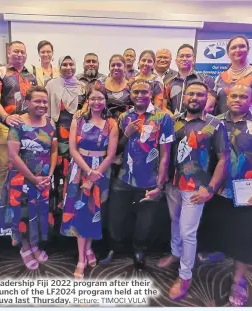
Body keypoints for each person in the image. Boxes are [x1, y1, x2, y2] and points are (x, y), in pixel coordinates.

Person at [198, 84, 252, 306]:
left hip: (247, 195)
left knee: (245, 239)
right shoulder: (213, 122)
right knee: (214, 230)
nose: (237, 99)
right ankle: (215, 256)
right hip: (216, 191)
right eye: (233, 95)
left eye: (243, 96)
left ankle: (238, 281)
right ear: (227, 98)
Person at [156, 82, 230, 300]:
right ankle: (175, 253)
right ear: (184, 97)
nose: (195, 98)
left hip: (196, 187)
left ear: (207, 98)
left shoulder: (214, 124)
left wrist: (211, 187)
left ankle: (185, 275)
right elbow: (165, 152)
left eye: (200, 94)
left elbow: (224, 158)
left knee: (188, 231)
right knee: (175, 221)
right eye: (191, 94)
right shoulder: (174, 121)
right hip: (173, 183)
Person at [100, 79, 174, 269]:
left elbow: (166, 153)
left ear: (151, 94)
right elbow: (116, 149)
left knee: (145, 221)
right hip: (124, 176)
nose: (140, 95)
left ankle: (139, 250)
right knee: (115, 217)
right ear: (130, 94)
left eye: (144, 92)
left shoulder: (163, 118)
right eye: (136, 92)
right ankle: (113, 248)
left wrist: (160, 183)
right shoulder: (124, 117)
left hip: (149, 178)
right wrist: (128, 132)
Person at [0, 86, 58, 270]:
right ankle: (25, 247)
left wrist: (50, 174)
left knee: (37, 213)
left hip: (43, 178)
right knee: (22, 214)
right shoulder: (18, 123)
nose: (42, 104)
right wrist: (33, 178)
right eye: (37, 101)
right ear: (27, 102)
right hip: (21, 179)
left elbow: (53, 150)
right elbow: (13, 155)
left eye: (44, 101)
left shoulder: (51, 123)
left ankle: (35, 244)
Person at [60, 84, 119, 279]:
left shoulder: (111, 123)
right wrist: (87, 173)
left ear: (105, 101)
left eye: (100, 98)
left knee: (94, 213)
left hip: (101, 171)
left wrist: (95, 176)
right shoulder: (78, 118)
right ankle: (81, 258)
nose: (97, 102)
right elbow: (72, 149)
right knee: (80, 213)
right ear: (88, 100)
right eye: (93, 98)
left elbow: (110, 155)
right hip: (79, 169)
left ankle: (89, 248)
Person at [0, 41, 37, 197]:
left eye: (23, 52)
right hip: (5, 125)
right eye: (16, 51)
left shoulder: (31, 76)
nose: (20, 54)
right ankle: (3, 202)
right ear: (8, 53)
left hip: (26, 127)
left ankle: (21, 202)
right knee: (4, 165)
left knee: (25, 164)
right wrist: (6, 117)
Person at [46, 55, 86, 207]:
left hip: (76, 131)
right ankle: (56, 201)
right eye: (65, 64)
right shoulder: (51, 84)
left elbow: (85, 109)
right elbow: (47, 109)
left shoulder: (81, 86)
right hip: (57, 129)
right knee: (58, 164)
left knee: (74, 165)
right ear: (59, 66)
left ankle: (71, 200)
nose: (68, 67)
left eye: (71, 64)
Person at [212, 35, 252, 121]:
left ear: (248, 50)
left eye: (242, 46)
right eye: (233, 47)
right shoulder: (220, 77)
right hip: (221, 126)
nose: (238, 50)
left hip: (246, 127)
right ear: (228, 53)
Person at [165, 44, 216, 119]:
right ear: (176, 60)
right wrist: (175, 120)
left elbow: (210, 105)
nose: (184, 59)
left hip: (199, 125)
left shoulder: (206, 79)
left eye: (188, 56)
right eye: (181, 56)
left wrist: (190, 120)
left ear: (194, 60)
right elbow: (164, 106)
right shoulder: (168, 82)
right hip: (175, 125)